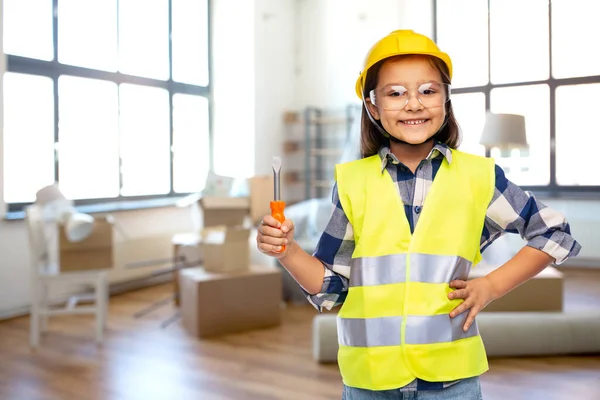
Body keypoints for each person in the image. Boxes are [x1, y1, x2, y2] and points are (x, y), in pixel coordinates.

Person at [256, 30, 581, 399]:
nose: (414, 104)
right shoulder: (350, 182)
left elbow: (554, 233)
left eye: (428, 90)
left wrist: (490, 286)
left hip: (452, 379)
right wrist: (288, 252)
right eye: (395, 93)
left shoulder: (479, 177)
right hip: (369, 381)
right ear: (373, 107)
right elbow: (332, 290)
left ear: (446, 100)